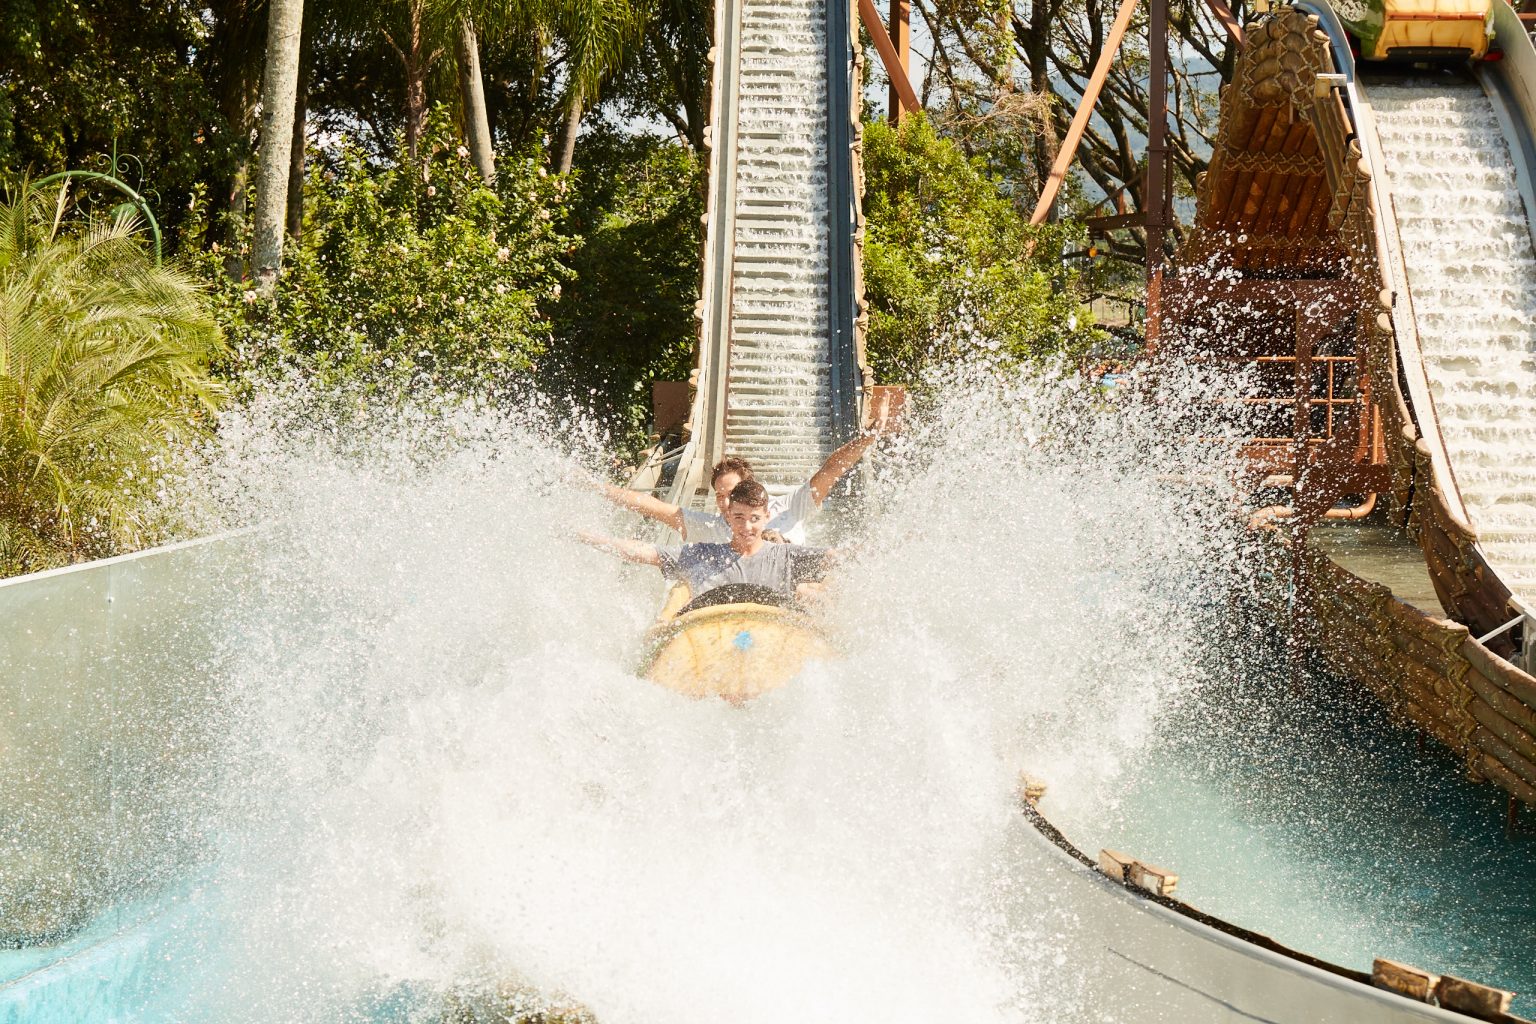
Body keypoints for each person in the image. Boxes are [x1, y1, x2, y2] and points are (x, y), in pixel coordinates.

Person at [592, 390, 899, 544]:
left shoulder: (786, 509)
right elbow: (651, 505)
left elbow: (830, 472)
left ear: (754, 494)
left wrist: (866, 438)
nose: (725, 504)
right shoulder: (713, 526)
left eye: (732, 494)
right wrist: (596, 489)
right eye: (719, 496)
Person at [579, 480, 835, 608]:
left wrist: (871, 552)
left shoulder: (785, 556)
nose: (747, 527)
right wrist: (587, 537)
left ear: (766, 517)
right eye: (739, 518)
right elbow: (648, 552)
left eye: (754, 519)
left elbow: (836, 558)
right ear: (728, 516)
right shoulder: (704, 555)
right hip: (716, 639)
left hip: (769, 639)